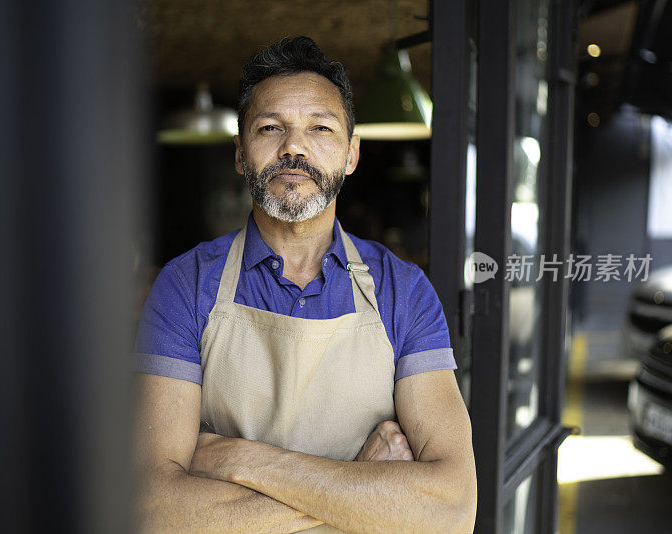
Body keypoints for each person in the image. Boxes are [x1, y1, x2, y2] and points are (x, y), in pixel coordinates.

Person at [133, 36, 476, 533]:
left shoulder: (404, 291)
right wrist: (364, 487)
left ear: (351, 153)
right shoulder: (186, 286)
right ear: (240, 154)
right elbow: (152, 510)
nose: (294, 147)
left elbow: (451, 511)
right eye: (270, 128)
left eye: (320, 128)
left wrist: (238, 460)